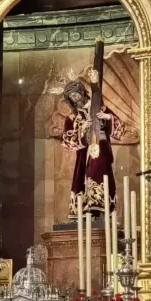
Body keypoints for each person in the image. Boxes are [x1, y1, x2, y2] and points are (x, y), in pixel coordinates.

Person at [61, 80, 121, 217]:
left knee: (102, 176)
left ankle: (103, 209)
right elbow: (66, 140)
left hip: (101, 150)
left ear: (82, 92)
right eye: (71, 97)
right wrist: (82, 129)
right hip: (84, 155)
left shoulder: (101, 108)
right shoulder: (71, 118)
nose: (75, 99)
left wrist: (107, 117)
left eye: (75, 95)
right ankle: (87, 211)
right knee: (83, 180)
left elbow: (120, 129)